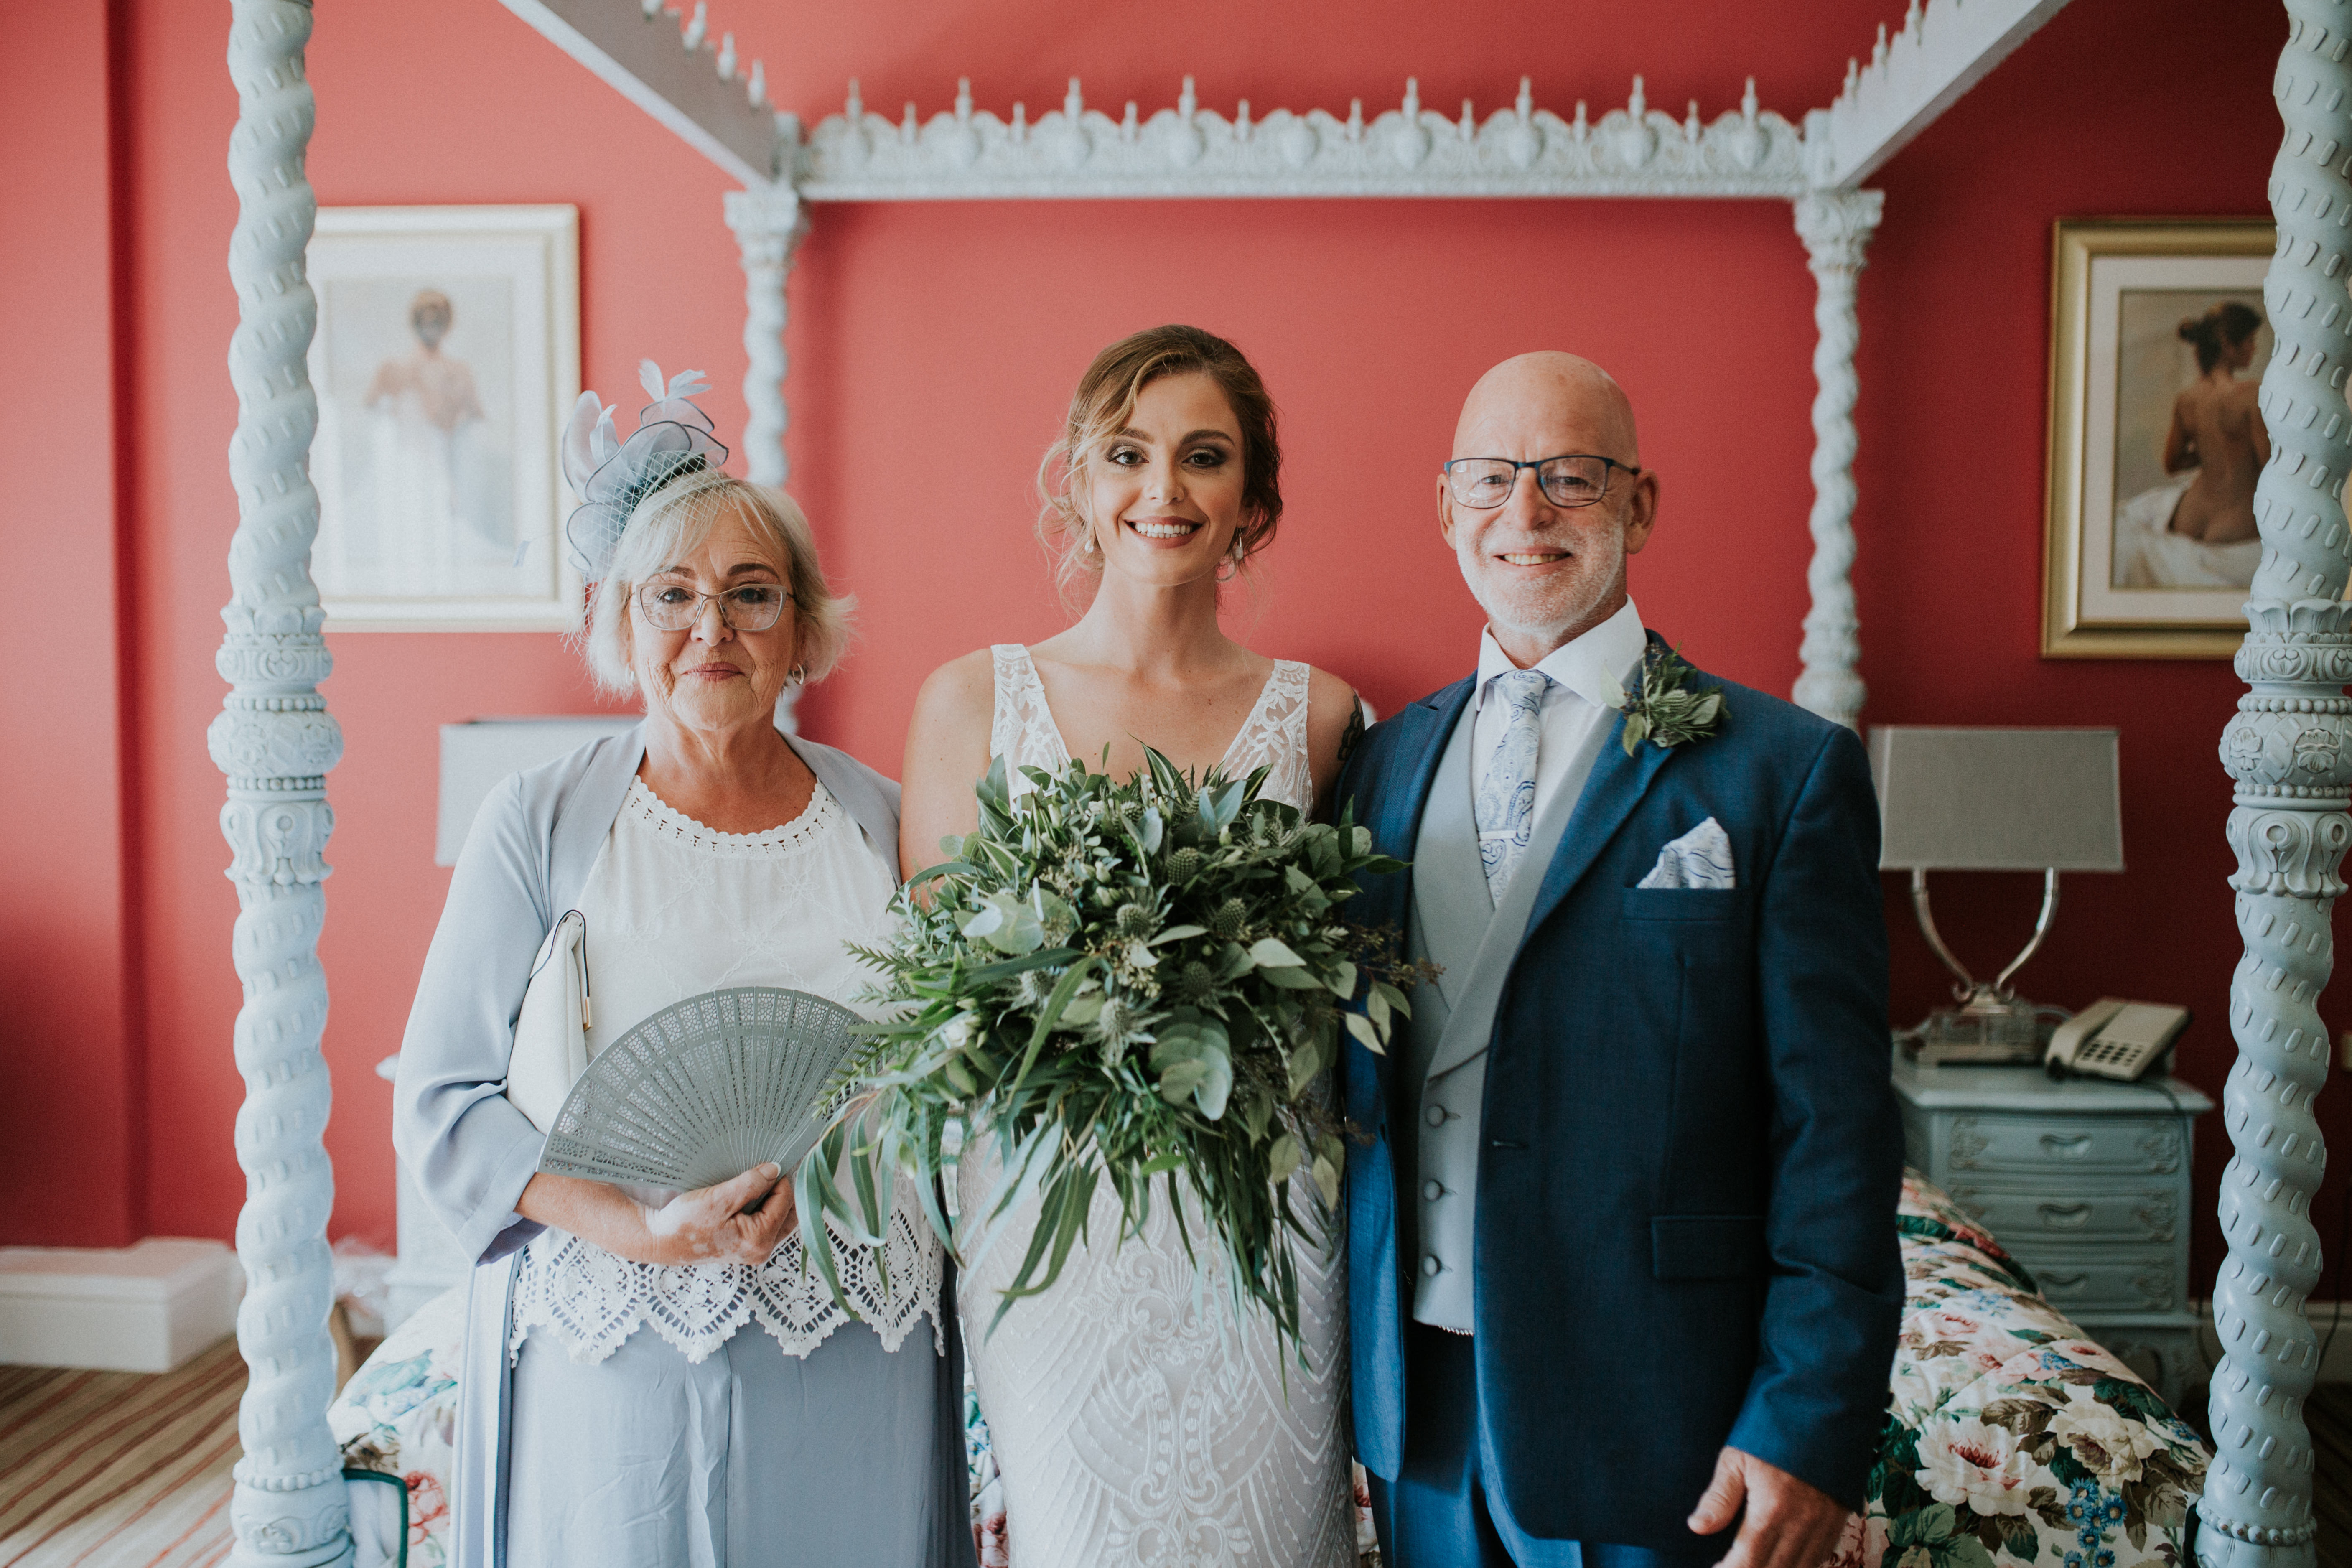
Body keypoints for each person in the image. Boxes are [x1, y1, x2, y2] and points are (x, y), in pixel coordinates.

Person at [395, 368, 975, 1568]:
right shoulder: (538, 821)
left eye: (750, 595)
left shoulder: (888, 819)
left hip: (854, 1332)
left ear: (805, 626)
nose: (711, 629)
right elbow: (444, 1103)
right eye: (673, 595)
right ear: (618, 621)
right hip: (617, 1348)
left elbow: (947, 1070)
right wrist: (642, 1230)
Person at [1337, 352, 1903, 1568]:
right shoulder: (1374, 765)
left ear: (1639, 505)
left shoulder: (1782, 770)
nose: (1525, 512)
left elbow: (1838, 1131)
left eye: (1570, 478)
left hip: (1659, 1412)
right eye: (1489, 479)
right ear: (1445, 509)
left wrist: (1808, 1419)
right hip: (1415, 1416)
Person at [899, 324, 1364, 1568]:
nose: (1163, 490)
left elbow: (1341, 980)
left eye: (1203, 457)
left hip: (1260, 1221)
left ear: (1253, 500)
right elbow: (943, 997)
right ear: (1080, 482)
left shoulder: (1320, 716)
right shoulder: (968, 701)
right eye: (1128, 453)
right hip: (1052, 1224)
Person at [2112, 302, 2268, 589]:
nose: (2254, 349)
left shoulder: (2188, 399)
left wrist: (2211, 452)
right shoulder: (2252, 396)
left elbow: (2172, 464)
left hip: (2189, 517)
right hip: (2235, 521)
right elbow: (2270, 468)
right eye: (2250, 341)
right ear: (2228, 345)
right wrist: (2237, 447)